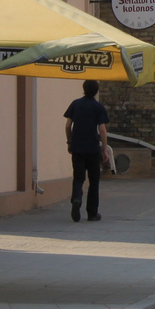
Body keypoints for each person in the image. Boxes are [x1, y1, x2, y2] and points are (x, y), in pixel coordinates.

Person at [64, 80, 110, 223]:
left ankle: (76, 199)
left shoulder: (75, 104)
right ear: (96, 91)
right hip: (92, 148)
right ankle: (92, 213)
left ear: (83, 89)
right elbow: (102, 129)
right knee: (94, 180)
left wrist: (69, 141)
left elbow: (68, 125)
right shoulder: (98, 107)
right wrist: (105, 149)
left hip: (77, 147)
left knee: (78, 178)